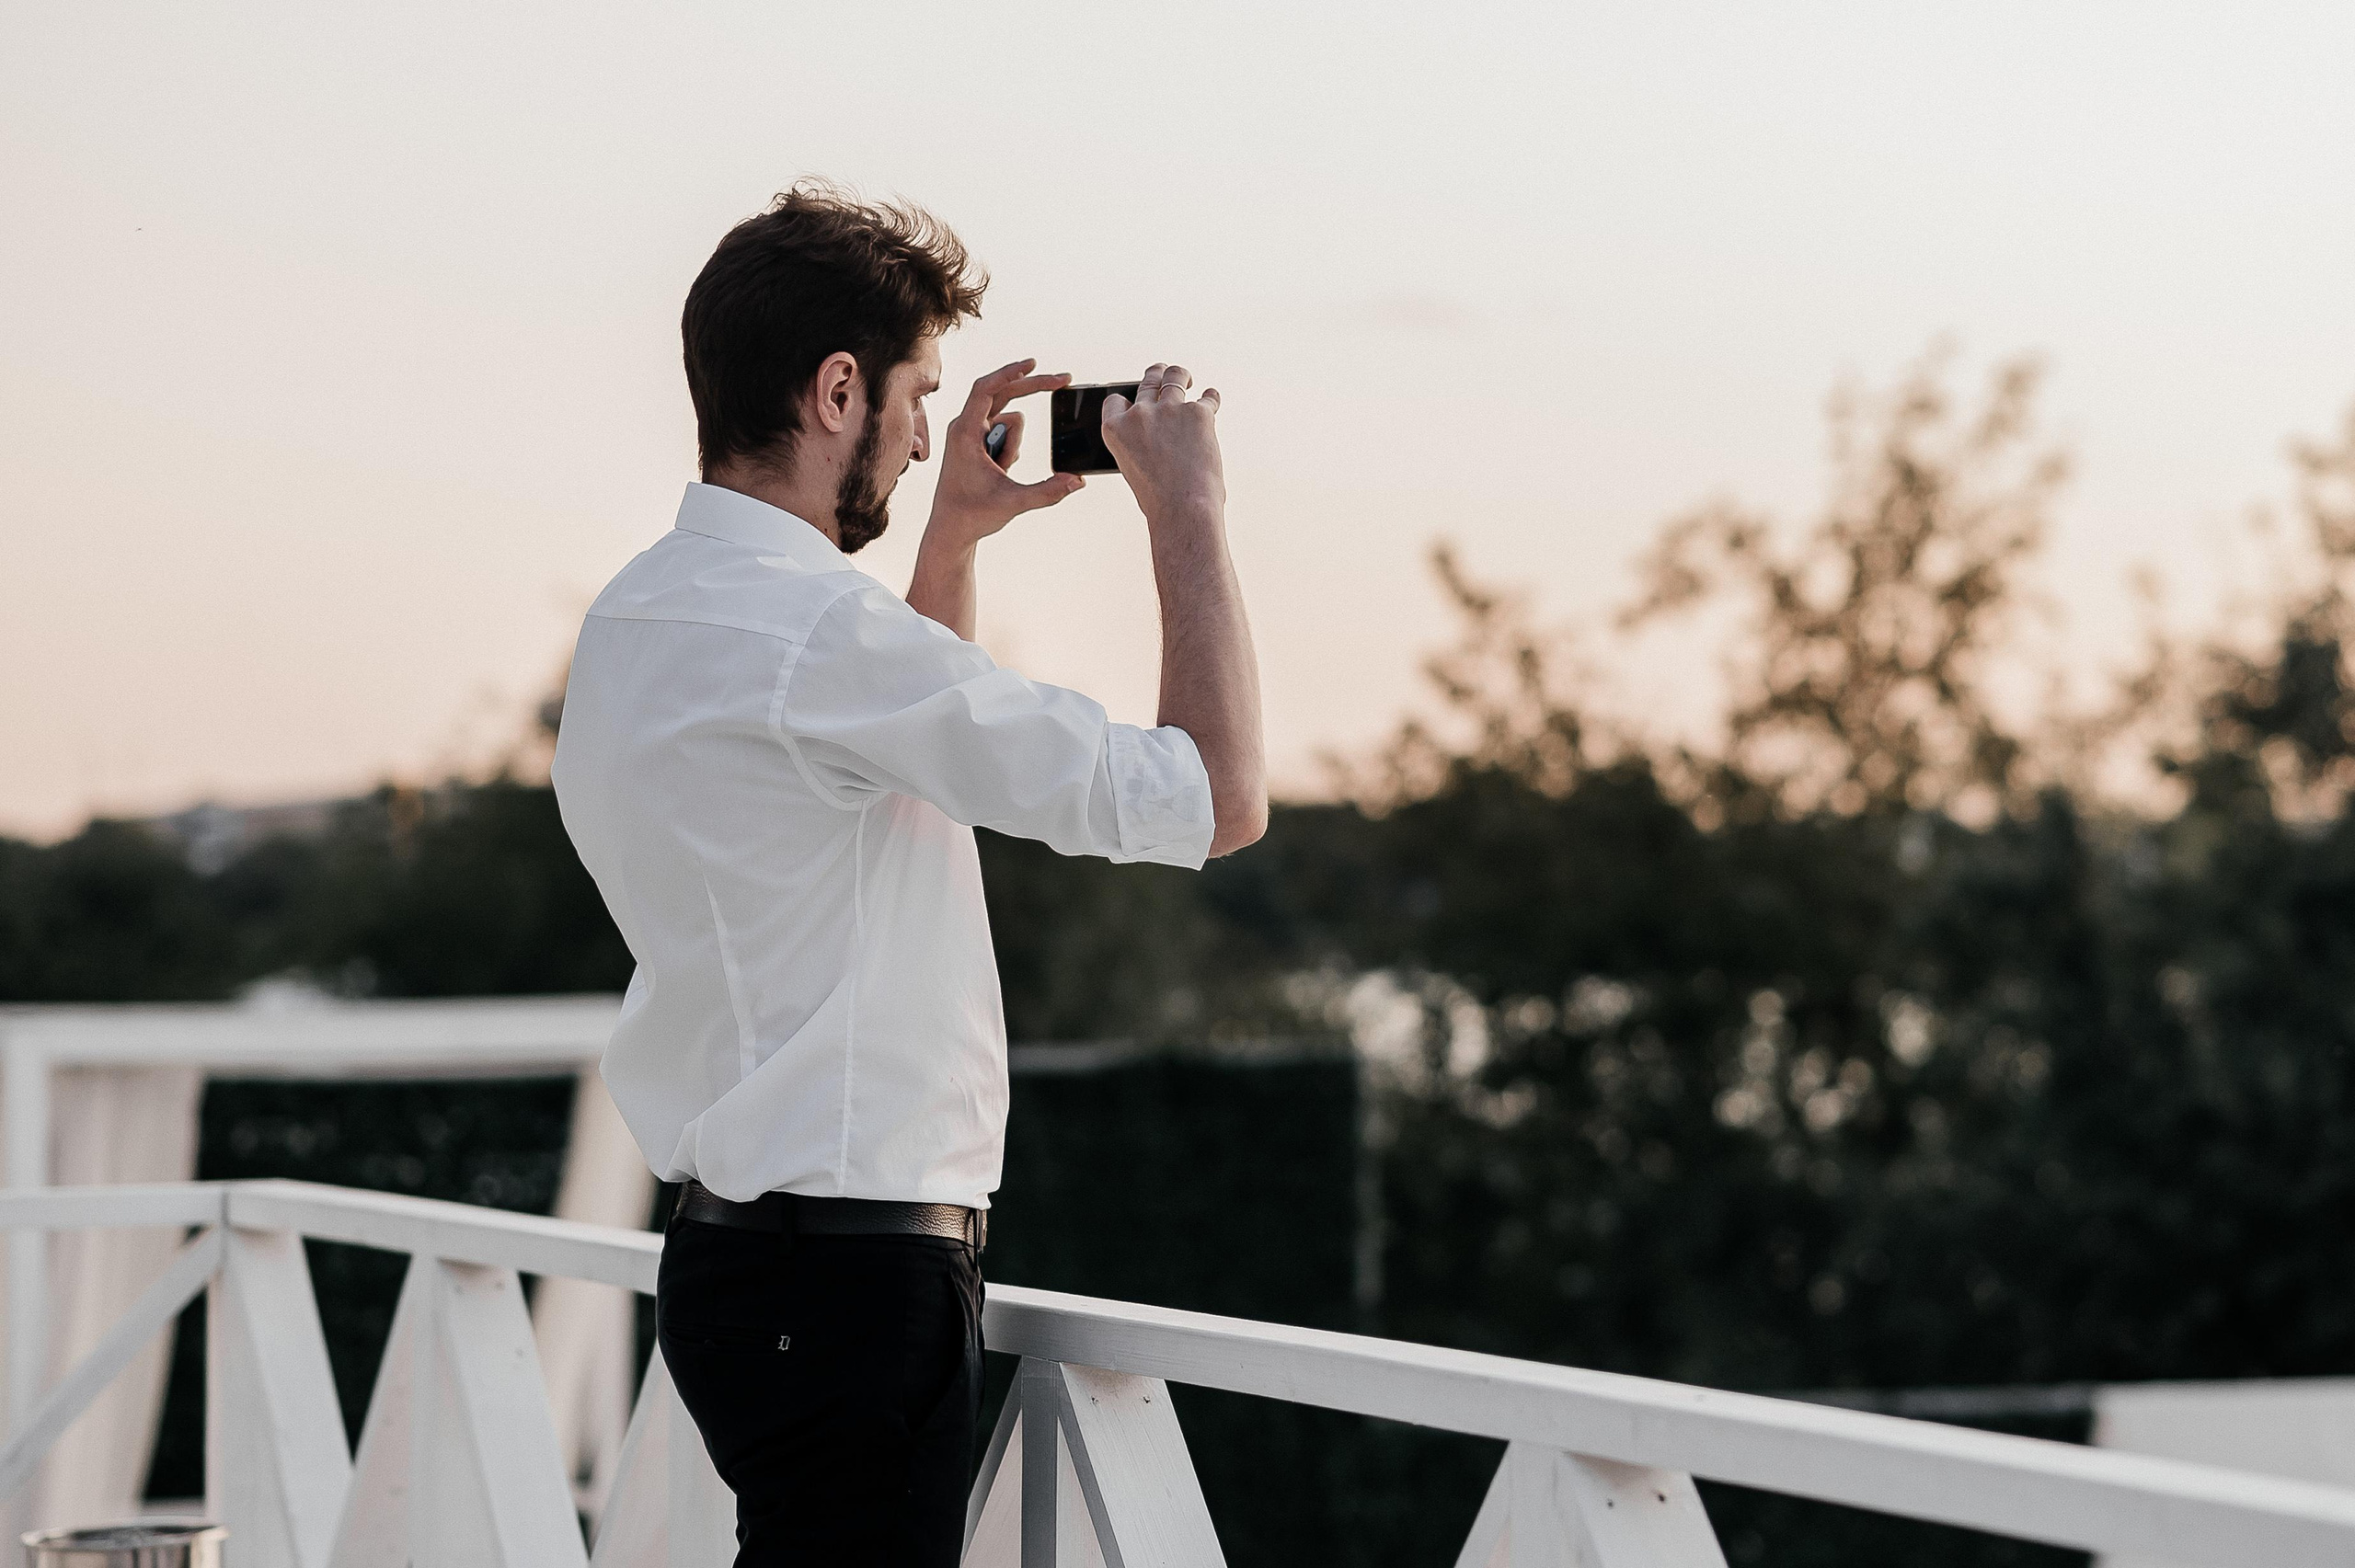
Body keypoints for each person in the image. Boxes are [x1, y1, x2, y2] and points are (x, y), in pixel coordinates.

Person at [549, 180, 1265, 1566]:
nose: (928, 428)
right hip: (852, 1284)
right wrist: (1191, 507)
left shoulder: (639, 615)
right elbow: (1214, 796)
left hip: (730, 1267)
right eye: (916, 392)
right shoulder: (819, 640)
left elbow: (874, 771)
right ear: (836, 391)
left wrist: (950, 541)